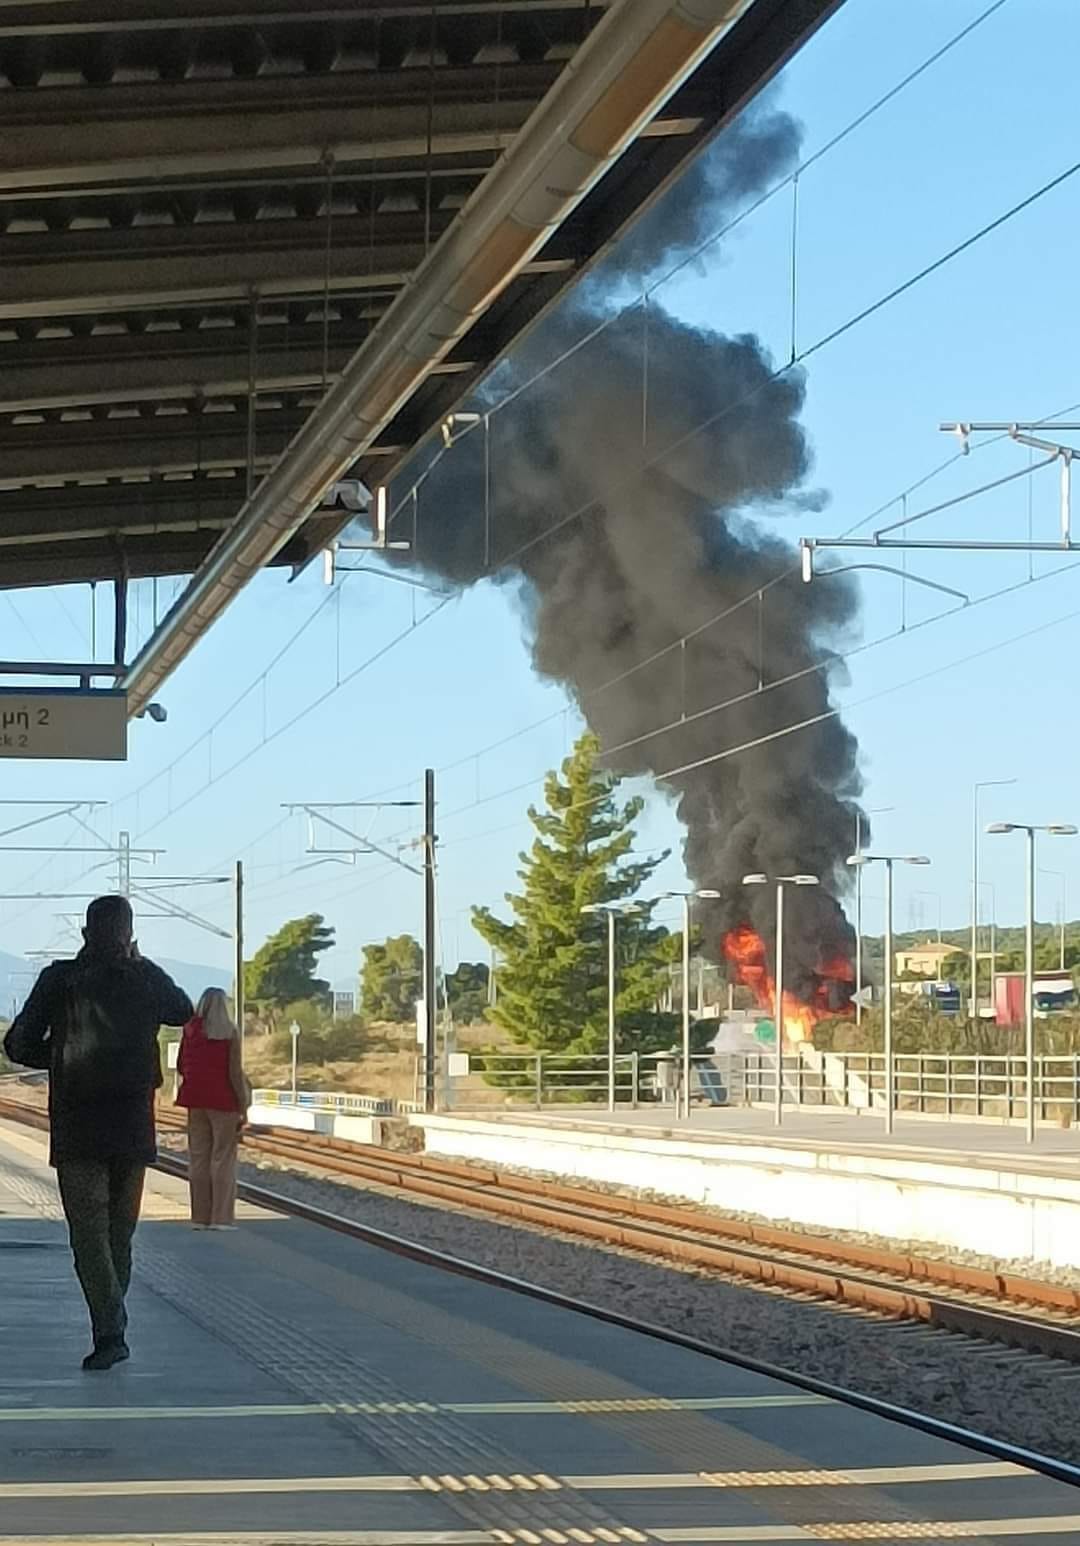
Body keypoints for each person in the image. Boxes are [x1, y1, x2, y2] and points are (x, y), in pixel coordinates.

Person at [2, 895, 192, 1371]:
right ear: (129, 935)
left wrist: (63, 1057)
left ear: (85, 933)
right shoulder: (145, 978)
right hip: (131, 1126)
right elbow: (183, 1010)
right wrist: (140, 961)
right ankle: (113, 1326)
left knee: (88, 1237)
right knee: (118, 1236)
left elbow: (17, 1044)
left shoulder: (59, 979)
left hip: (79, 1125)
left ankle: (110, 1331)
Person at [176, 987, 249, 1230]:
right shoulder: (229, 1032)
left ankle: (199, 1218)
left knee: (198, 1158)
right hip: (224, 1102)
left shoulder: (189, 1031)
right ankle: (221, 1219)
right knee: (222, 1159)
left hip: (194, 1100)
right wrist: (243, 1103)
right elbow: (235, 1073)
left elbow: (180, 1066)